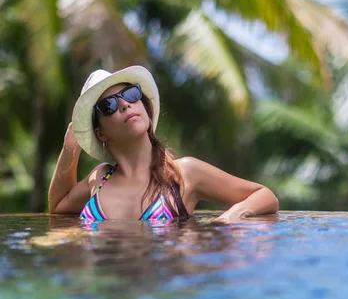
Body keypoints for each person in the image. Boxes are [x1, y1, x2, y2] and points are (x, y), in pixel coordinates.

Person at [48, 65, 279, 223]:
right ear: (101, 134)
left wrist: (236, 213)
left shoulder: (183, 173)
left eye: (130, 94)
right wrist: (70, 148)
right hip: (109, 291)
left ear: (147, 112)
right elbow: (58, 206)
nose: (124, 105)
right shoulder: (100, 179)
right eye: (108, 106)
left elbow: (265, 195)